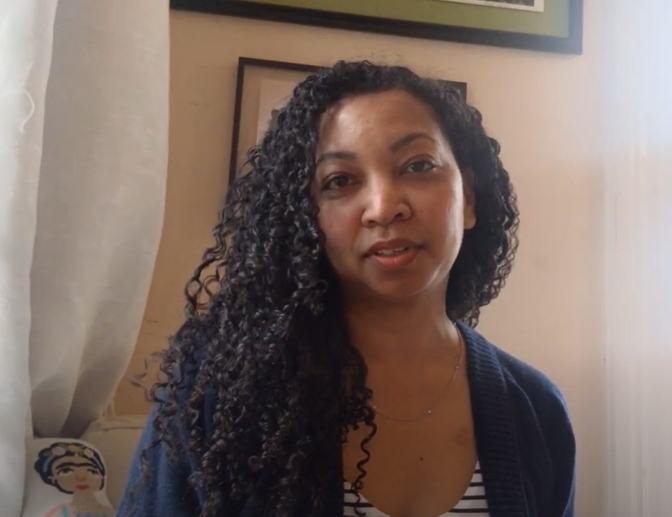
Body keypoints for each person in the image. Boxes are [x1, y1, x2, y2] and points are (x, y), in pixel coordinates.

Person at [117, 60, 575, 517]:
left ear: (469, 198)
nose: (384, 207)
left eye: (418, 165)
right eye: (340, 181)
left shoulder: (534, 409)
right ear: (304, 219)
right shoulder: (220, 395)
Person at [34, 442, 115, 517]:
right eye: (66, 471)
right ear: (52, 479)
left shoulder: (110, 512)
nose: (81, 477)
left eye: (92, 471)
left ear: (101, 477)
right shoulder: (60, 513)